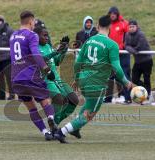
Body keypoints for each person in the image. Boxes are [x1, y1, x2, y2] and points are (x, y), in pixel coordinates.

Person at [54, 15, 132, 143]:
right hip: (97, 83)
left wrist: (77, 79)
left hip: (84, 80)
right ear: (110, 27)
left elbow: (77, 62)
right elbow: (116, 67)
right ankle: (62, 132)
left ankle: (75, 129)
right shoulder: (112, 45)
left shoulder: (89, 41)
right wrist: (126, 82)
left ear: (97, 26)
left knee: (88, 104)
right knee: (90, 113)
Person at [10, 10, 57, 140]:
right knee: (45, 101)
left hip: (16, 78)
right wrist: (47, 70)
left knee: (31, 107)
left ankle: (45, 132)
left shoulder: (13, 36)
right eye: (34, 22)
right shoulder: (32, 35)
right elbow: (36, 54)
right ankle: (51, 118)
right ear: (31, 22)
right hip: (30, 75)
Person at [34, 26, 81, 138]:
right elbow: (41, 60)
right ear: (37, 36)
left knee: (74, 100)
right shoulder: (34, 47)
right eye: (44, 35)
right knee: (59, 99)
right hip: (45, 80)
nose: (47, 37)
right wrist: (56, 51)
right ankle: (53, 128)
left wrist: (63, 50)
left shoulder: (48, 46)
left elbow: (57, 62)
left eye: (47, 35)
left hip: (57, 79)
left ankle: (55, 125)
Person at [104, 6, 131, 104]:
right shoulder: (107, 25)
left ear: (117, 14)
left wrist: (124, 46)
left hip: (122, 54)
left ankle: (126, 97)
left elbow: (130, 35)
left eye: (114, 14)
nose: (112, 16)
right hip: (110, 54)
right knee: (109, 75)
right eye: (111, 14)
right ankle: (108, 98)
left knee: (123, 74)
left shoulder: (124, 24)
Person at [125, 20, 153, 100]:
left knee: (146, 78)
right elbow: (126, 46)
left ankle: (148, 95)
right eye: (130, 27)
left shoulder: (141, 34)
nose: (131, 28)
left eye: (133, 26)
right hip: (137, 61)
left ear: (137, 27)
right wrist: (133, 50)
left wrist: (132, 49)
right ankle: (146, 90)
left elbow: (140, 47)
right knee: (134, 79)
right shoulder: (127, 35)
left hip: (147, 60)